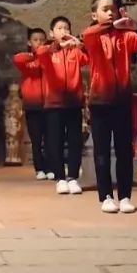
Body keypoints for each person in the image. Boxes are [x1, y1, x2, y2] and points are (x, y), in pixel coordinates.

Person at [82, 0, 137, 214]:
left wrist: (135, 25)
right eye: (105, 9)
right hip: (100, 101)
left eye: (113, 8)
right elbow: (87, 34)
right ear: (94, 15)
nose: (110, 12)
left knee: (124, 151)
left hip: (123, 101)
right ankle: (106, 196)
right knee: (101, 151)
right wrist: (112, 25)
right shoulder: (92, 36)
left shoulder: (125, 37)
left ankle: (125, 196)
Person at [36, 16, 89, 195]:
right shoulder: (48, 52)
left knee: (75, 141)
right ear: (52, 33)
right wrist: (57, 46)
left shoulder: (75, 52)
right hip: (54, 104)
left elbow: (89, 59)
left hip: (74, 102)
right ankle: (60, 178)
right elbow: (40, 53)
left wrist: (80, 45)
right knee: (54, 142)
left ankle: (72, 177)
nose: (63, 31)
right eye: (59, 28)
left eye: (66, 28)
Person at [13, 28, 51, 181]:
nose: (39, 42)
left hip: (49, 103)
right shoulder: (27, 60)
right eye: (35, 40)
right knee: (36, 139)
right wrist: (36, 54)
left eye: (42, 40)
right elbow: (17, 59)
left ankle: (50, 167)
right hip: (32, 105)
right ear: (29, 42)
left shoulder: (49, 58)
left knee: (50, 139)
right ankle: (39, 168)